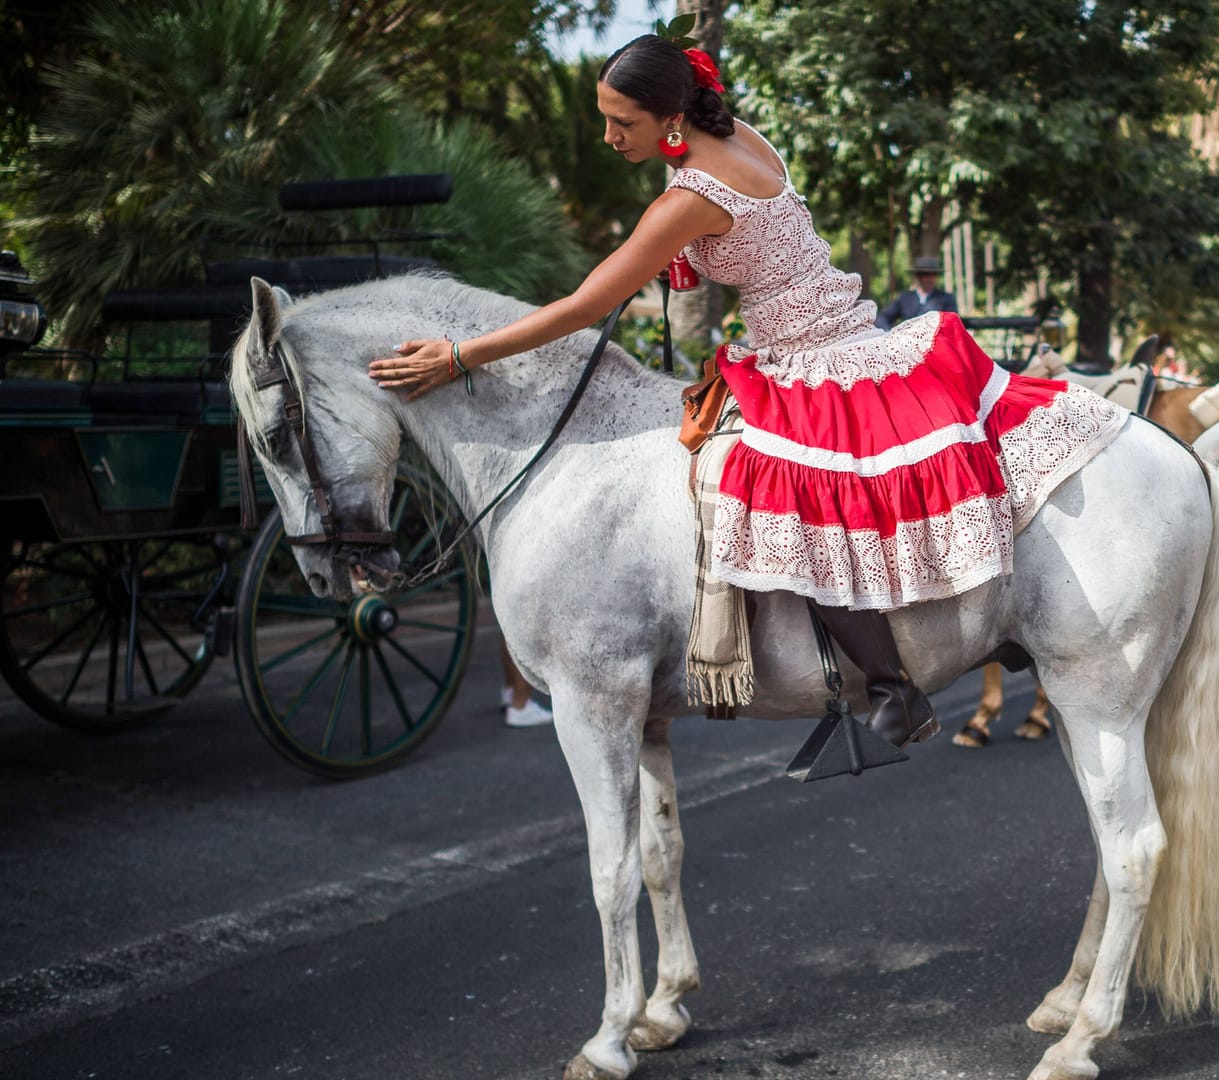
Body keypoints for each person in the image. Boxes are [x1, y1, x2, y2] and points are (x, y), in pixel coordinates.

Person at [366, 35, 1126, 747]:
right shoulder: (736, 135)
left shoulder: (686, 198)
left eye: (619, 121)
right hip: (842, 331)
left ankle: (896, 689)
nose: (608, 136)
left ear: (670, 120)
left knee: (787, 496)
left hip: (814, 360)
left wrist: (461, 355)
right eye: (603, 119)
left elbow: (583, 307)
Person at [876, 255, 958, 329]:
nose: (930, 279)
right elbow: (883, 316)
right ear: (918, 276)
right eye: (926, 275)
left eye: (933, 274)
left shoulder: (946, 298)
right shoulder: (905, 298)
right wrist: (890, 332)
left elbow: (952, 323)